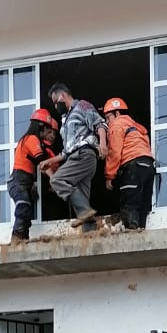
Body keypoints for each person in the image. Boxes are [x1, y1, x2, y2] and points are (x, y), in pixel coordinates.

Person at [39, 84, 107, 227]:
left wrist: (103, 143)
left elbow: (99, 124)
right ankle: (90, 233)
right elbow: (67, 151)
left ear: (62, 96)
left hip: (83, 155)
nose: (55, 106)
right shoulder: (65, 119)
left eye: (55, 102)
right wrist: (50, 161)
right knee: (84, 203)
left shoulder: (82, 106)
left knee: (56, 180)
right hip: (76, 157)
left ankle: (84, 211)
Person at [102, 97, 156, 230]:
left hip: (133, 165)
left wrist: (109, 176)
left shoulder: (117, 125)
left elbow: (115, 152)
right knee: (143, 204)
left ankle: (131, 231)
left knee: (129, 203)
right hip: (148, 166)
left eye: (108, 118)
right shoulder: (138, 127)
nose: (107, 122)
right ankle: (140, 230)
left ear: (117, 113)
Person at [8, 108, 58, 241]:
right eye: (48, 130)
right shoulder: (31, 139)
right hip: (18, 180)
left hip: (24, 180)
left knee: (26, 210)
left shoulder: (28, 139)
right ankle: (17, 238)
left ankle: (23, 238)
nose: (49, 133)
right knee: (23, 205)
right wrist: (53, 178)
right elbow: (42, 163)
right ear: (41, 126)